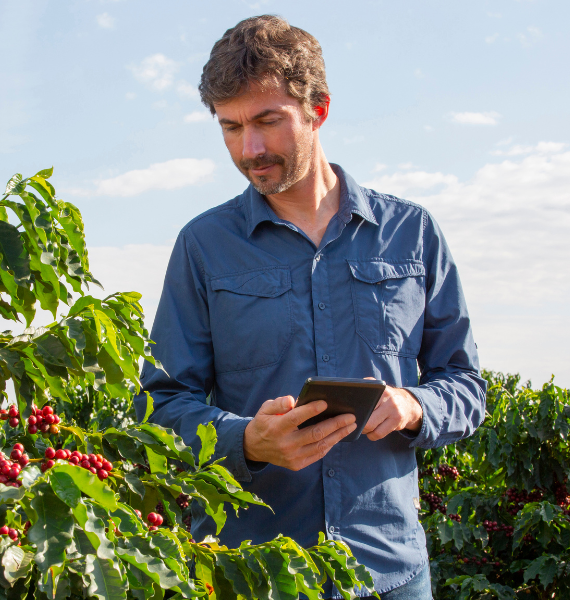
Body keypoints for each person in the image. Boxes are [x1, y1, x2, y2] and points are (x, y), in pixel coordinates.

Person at [136, 14, 486, 600]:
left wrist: (413, 404)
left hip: (390, 571)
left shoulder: (412, 233)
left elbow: (467, 384)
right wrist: (245, 440)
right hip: (250, 574)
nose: (249, 149)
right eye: (230, 127)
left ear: (318, 108)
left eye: (267, 122)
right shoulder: (203, 246)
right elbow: (160, 403)